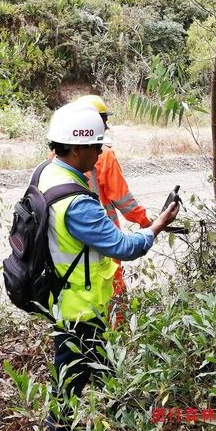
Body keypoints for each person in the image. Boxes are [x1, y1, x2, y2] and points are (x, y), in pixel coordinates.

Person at [40, 101, 180, 431]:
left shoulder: (48, 173)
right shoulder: (76, 201)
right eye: (95, 147)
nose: (100, 153)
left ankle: (121, 408)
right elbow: (124, 247)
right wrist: (158, 224)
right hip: (78, 300)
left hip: (67, 291)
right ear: (76, 148)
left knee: (97, 356)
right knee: (72, 366)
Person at [72, 95, 151, 325]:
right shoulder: (103, 155)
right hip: (105, 236)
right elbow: (123, 200)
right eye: (103, 120)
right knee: (114, 287)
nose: (106, 125)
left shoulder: (58, 155)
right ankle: (117, 334)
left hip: (70, 242)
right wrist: (147, 222)